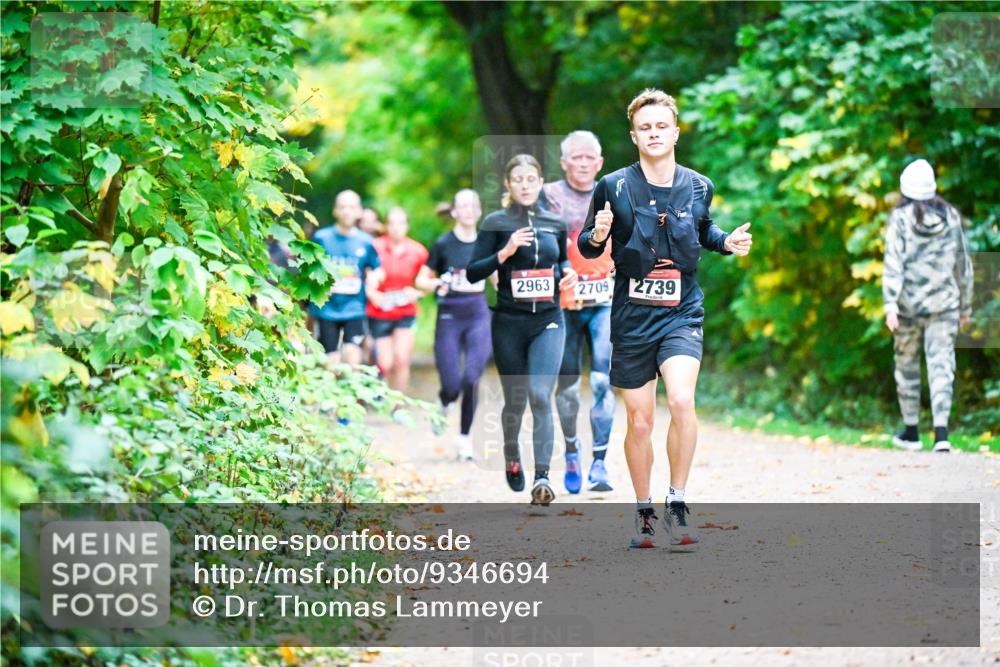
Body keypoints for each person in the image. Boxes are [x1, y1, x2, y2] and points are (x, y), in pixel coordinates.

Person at [578, 89, 752, 548]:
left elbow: (702, 228)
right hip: (633, 315)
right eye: (645, 128)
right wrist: (597, 235)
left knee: (680, 400)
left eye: (661, 126)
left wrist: (725, 241)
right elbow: (587, 246)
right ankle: (644, 512)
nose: (653, 133)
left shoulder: (698, 185)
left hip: (681, 311)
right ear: (634, 136)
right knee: (639, 422)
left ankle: (677, 502)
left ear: (675, 132)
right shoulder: (613, 186)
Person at [467, 154, 578, 505]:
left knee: (540, 395)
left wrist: (568, 273)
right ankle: (511, 454)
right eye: (518, 180)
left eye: (532, 179)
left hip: (548, 320)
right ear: (508, 184)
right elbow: (472, 272)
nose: (526, 185)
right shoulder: (495, 222)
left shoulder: (555, 222)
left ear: (541, 182)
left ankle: (542, 478)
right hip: (509, 323)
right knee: (515, 401)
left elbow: (562, 261)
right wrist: (505, 252)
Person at [543, 130, 616, 494]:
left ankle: (599, 462)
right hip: (565, 303)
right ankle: (572, 452)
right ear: (564, 162)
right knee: (568, 387)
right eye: (577, 157)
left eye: (590, 158)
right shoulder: (548, 196)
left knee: (603, 380)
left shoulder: (615, 191)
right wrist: (557, 274)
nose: (584, 163)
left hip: (604, 301)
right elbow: (537, 244)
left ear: (599, 163)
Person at [883, 158, 973, 453]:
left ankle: (911, 432)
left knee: (906, 366)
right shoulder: (951, 216)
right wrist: (965, 306)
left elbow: (893, 262)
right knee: (942, 366)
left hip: (908, 306)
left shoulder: (900, 219)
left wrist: (890, 304)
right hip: (945, 305)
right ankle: (941, 435)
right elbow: (963, 263)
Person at [416, 189, 493, 460]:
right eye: (463, 205)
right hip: (449, 315)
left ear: (479, 211)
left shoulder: (486, 243)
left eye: (473, 205)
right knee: (451, 384)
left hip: (477, 314)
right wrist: (437, 282)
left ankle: (464, 439)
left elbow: (497, 278)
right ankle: (445, 401)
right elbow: (420, 280)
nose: (469, 210)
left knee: (471, 378)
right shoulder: (443, 244)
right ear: (454, 211)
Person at [309, 190, 382, 365]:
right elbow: (308, 268)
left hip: (354, 308)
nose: (347, 212)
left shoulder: (366, 241)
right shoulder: (321, 238)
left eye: (351, 207)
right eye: (342, 207)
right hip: (327, 308)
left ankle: (352, 383)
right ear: (335, 211)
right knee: (331, 361)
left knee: (352, 357)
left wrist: (374, 278)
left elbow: (377, 268)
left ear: (359, 212)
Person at [367, 206, 429, 391]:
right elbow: (362, 275)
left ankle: (398, 404)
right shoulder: (374, 247)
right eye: (392, 223)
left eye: (400, 223)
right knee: (384, 364)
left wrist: (417, 293)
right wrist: (372, 293)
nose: (396, 228)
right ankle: (378, 395)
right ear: (386, 226)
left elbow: (426, 283)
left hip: (405, 312)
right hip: (379, 312)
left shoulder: (418, 251)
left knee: (401, 360)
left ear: (407, 226)